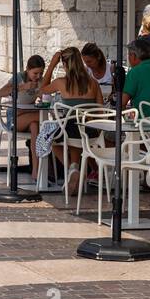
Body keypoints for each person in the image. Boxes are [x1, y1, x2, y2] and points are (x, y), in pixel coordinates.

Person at [41, 46, 104, 195]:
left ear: (64, 64)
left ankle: (72, 168)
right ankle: (75, 167)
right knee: (77, 130)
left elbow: (42, 89)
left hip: (68, 130)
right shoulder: (93, 83)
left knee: (49, 139)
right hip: (90, 131)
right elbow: (100, 110)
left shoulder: (61, 82)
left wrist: (51, 64)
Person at [0, 54, 46, 178]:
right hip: (14, 118)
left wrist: (42, 94)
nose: (38, 76)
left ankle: (36, 170)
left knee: (35, 126)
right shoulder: (19, 78)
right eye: (35, 73)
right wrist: (22, 87)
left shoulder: (41, 81)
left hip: (28, 116)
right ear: (28, 70)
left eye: (40, 73)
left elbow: (45, 96)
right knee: (41, 118)